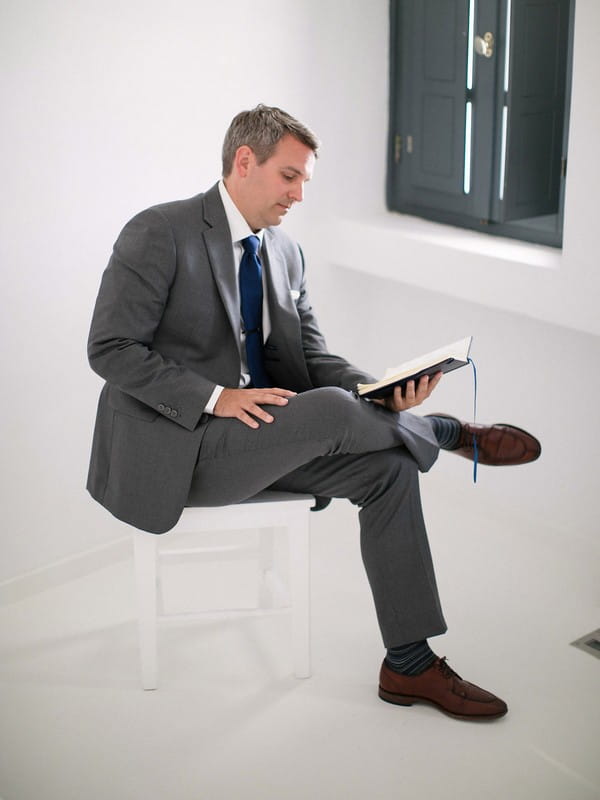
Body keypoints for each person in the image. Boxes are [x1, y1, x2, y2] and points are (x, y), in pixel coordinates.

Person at [87, 104, 540, 721]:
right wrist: (217, 398)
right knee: (332, 413)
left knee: (388, 469)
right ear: (244, 162)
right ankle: (446, 433)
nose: (300, 193)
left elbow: (312, 356)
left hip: (265, 440)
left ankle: (408, 664)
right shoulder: (159, 231)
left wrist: (380, 391)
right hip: (184, 449)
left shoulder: (287, 252)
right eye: (290, 176)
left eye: (305, 180)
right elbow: (110, 348)